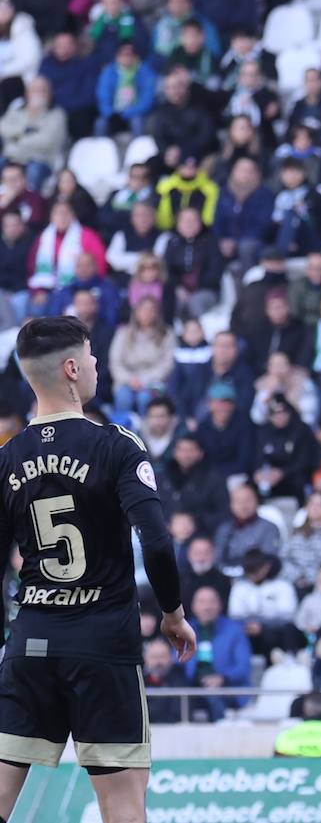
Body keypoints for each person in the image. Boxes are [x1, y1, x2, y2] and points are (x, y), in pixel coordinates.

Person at [0, 316, 195, 822]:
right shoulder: (117, 445)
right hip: (103, 646)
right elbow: (154, 540)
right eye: (90, 356)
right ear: (70, 369)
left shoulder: (8, 458)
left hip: (31, 645)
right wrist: (172, 613)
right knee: (124, 807)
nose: (95, 365)